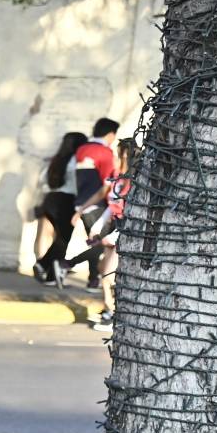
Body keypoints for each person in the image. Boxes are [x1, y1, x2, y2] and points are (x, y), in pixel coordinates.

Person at [77, 136, 136, 331]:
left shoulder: (134, 182)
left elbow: (131, 213)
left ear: (126, 156)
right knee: (105, 271)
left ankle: (113, 315)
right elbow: (112, 206)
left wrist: (116, 234)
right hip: (114, 230)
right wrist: (98, 226)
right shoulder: (117, 178)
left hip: (126, 232)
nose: (114, 159)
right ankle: (110, 310)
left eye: (118, 156)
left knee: (109, 275)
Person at [68, 118, 119, 287]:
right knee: (102, 244)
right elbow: (106, 185)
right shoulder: (105, 153)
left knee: (96, 242)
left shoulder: (82, 149)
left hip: (81, 203)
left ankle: (93, 280)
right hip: (96, 205)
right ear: (110, 134)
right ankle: (68, 264)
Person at [33, 130, 87, 285]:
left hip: (50, 199)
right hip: (66, 200)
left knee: (60, 239)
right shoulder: (77, 161)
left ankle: (51, 275)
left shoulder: (56, 159)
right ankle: (44, 266)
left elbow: (43, 180)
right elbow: (79, 182)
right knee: (63, 239)